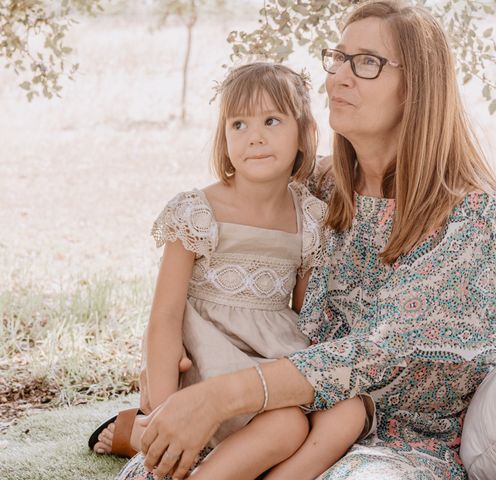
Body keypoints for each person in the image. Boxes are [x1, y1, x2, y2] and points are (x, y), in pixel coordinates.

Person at [115, 1, 496, 479]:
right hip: (284, 415)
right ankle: (133, 430)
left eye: (367, 63)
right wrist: (180, 376)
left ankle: (131, 431)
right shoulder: (316, 190)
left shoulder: (466, 212)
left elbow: (380, 354)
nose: (338, 77)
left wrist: (218, 397)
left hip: (389, 437)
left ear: (418, 88)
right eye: (338, 58)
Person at [91, 62, 372, 479]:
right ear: (223, 137)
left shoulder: (309, 218)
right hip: (209, 363)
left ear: (305, 133)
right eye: (238, 124)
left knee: (351, 410)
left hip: (270, 359)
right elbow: (165, 316)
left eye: (271, 120)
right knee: (286, 424)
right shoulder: (198, 212)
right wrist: (163, 412)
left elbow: (302, 314)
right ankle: (157, 441)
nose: (254, 136)